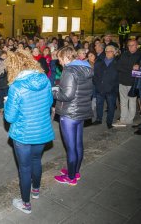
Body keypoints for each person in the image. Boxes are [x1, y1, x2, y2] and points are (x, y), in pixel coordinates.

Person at [4, 50, 54, 214]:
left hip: (24, 133)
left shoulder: (16, 87)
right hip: (42, 130)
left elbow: (10, 117)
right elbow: (49, 102)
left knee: (24, 168)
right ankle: (36, 190)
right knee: (36, 160)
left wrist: (7, 104)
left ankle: (26, 204)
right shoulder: (45, 80)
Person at [53, 46, 93, 186]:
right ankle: (75, 171)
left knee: (71, 147)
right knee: (78, 144)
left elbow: (67, 95)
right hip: (81, 111)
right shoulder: (86, 68)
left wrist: (54, 92)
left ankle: (70, 178)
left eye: (59, 58)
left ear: (65, 57)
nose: (59, 62)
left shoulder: (69, 70)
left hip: (69, 113)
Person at [115, 39, 141, 126]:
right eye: (129, 45)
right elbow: (118, 67)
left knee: (132, 102)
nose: (130, 47)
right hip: (122, 81)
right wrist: (131, 68)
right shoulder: (124, 54)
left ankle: (129, 120)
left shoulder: (140, 55)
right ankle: (123, 119)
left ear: (137, 46)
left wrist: (126, 68)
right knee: (123, 102)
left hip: (132, 82)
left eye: (132, 45)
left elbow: (139, 70)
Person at [92, 45, 119, 129]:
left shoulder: (118, 62)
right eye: (106, 51)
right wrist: (97, 84)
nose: (107, 53)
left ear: (114, 52)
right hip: (100, 88)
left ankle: (109, 122)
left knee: (111, 106)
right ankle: (98, 119)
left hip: (112, 89)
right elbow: (95, 74)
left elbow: (119, 77)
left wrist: (114, 86)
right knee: (99, 104)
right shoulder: (99, 61)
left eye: (110, 51)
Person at [0, 51, 9, 116]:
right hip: (0, 81)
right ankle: (1, 108)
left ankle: (7, 109)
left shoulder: (9, 62)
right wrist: (4, 65)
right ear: (0, 56)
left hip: (7, 81)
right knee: (0, 96)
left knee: (7, 96)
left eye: (5, 56)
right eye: (3, 56)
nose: (4, 57)